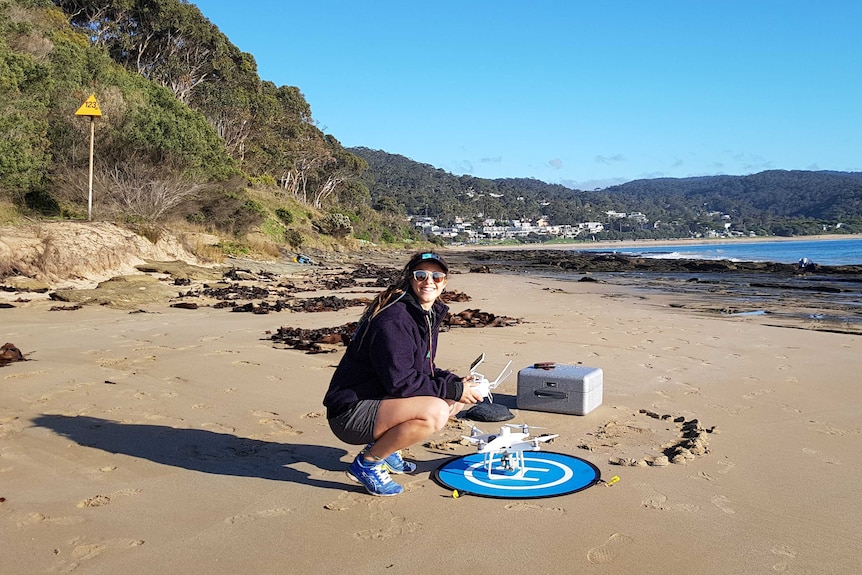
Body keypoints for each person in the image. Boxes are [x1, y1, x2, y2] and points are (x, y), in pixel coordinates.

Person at [323, 251, 484, 496]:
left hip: (379, 400)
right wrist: (454, 389)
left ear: (445, 281)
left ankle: (389, 449)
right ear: (411, 278)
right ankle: (367, 464)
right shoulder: (394, 319)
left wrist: (455, 383)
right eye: (421, 275)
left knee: (453, 400)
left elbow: (423, 370)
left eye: (436, 276)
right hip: (349, 413)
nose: (429, 281)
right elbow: (401, 382)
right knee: (436, 411)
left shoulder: (424, 314)